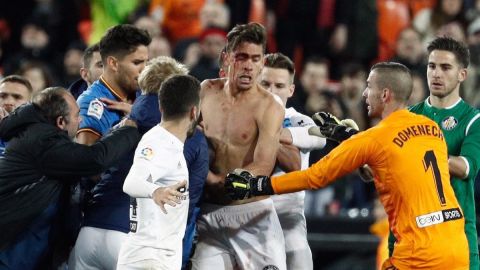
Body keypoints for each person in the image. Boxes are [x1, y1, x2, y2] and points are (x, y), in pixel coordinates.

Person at [225, 62, 470, 269]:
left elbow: (315, 177)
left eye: (369, 87)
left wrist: (258, 185)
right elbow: (390, 165)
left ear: (384, 95)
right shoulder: (432, 129)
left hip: (419, 253)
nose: (364, 93)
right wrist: (348, 136)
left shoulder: (374, 138)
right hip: (457, 246)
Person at [0, 87, 140, 270]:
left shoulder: (37, 133)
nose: (80, 120)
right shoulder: (43, 142)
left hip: (27, 245)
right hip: (11, 249)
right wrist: (129, 129)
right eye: (76, 115)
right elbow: (94, 159)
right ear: (60, 122)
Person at [190, 22, 287, 269]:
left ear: (262, 62)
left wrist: (213, 179)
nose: (248, 65)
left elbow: (263, 166)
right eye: (241, 57)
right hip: (210, 215)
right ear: (226, 58)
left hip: (253, 216)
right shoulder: (205, 91)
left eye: (256, 59)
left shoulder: (270, 106)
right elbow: (183, 135)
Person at [68, 24, 151, 270]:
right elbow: (87, 164)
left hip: (128, 221)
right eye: (137, 63)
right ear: (113, 63)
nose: (144, 70)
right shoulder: (94, 103)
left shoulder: (136, 99)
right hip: (101, 219)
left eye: (147, 62)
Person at [123, 56, 209, 269]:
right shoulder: (159, 142)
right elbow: (131, 182)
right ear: (194, 112)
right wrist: (156, 192)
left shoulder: (170, 144)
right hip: (149, 258)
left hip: (158, 258)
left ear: (161, 107)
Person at [403, 36, 480, 269]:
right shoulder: (407, 117)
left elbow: (466, 167)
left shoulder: (472, 120)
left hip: (457, 236)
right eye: (432, 66)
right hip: (412, 235)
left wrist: (419, 152)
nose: (436, 74)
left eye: (445, 67)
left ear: (462, 75)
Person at [259, 52, 315, 269]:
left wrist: (267, 130)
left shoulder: (299, 120)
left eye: (279, 86)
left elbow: (314, 142)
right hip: (249, 220)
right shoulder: (241, 118)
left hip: (288, 221)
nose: (272, 92)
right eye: (265, 83)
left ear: (290, 90)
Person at [0, 75, 33, 156]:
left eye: (17, 97)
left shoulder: (37, 138)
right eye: (2, 96)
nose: (8, 102)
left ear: (29, 104)